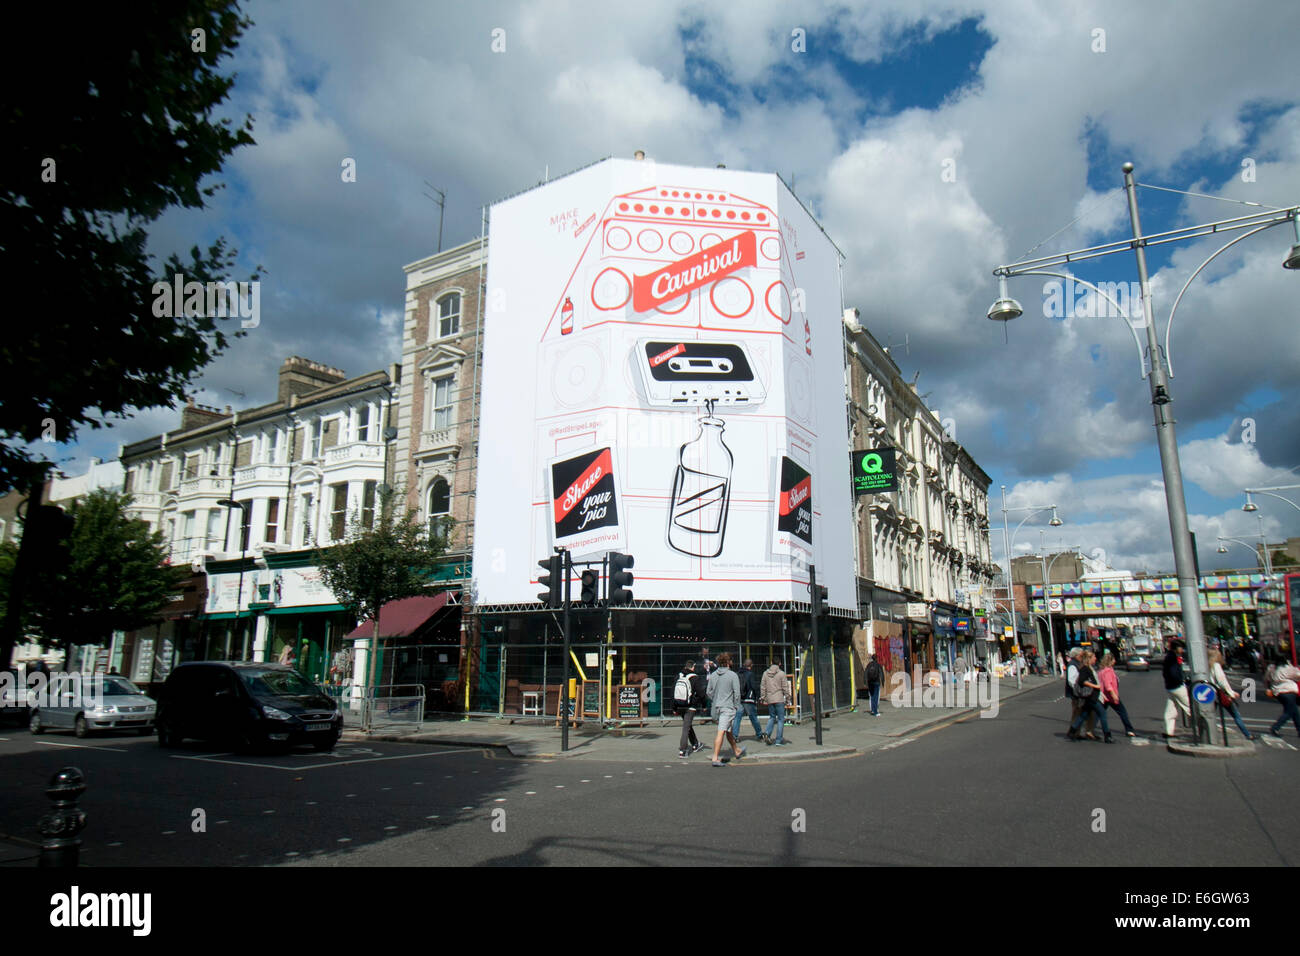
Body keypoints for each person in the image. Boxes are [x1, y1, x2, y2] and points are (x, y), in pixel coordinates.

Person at [706, 652, 746, 766]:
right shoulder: (733, 675)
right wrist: (736, 705)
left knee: (728, 731)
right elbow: (737, 693)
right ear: (728, 662)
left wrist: (715, 699)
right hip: (727, 707)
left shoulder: (713, 675)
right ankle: (715, 758)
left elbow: (708, 691)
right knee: (721, 731)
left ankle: (736, 750)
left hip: (716, 707)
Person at [1208, 648, 1252, 741]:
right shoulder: (1216, 665)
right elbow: (1222, 681)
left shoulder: (1206, 665)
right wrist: (1231, 693)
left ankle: (1207, 733)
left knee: (1209, 715)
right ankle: (1247, 734)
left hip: (1211, 694)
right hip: (1220, 694)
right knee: (1235, 715)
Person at [1068, 650, 1113, 743]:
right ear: (1089, 659)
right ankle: (1107, 736)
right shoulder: (1085, 668)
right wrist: (1095, 686)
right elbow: (1082, 681)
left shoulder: (1089, 668)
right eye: (1094, 657)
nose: (1095, 658)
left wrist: (1102, 694)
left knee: (1083, 714)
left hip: (1091, 696)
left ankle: (1072, 731)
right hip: (1091, 696)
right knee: (1103, 714)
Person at [1096, 652, 1137, 737]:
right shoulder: (1108, 671)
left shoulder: (1101, 671)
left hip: (1102, 696)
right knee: (1122, 712)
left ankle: (1088, 729)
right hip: (1110, 696)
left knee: (1098, 713)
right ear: (1110, 661)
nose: (1115, 661)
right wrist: (1114, 695)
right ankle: (1129, 730)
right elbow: (1108, 685)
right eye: (1113, 659)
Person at [673, 660, 707, 757]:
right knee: (686, 728)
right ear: (693, 667)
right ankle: (683, 751)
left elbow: (673, 691)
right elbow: (701, 693)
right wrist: (704, 705)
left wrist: (674, 707)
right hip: (690, 706)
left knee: (687, 725)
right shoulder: (695, 678)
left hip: (679, 705)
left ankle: (695, 744)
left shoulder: (678, 676)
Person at [1162, 640, 1192, 739]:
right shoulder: (1172, 658)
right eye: (1181, 648)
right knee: (1189, 707)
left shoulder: (1169, 657)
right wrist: (1181, 680)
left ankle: (1169, 732)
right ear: (1176, 648)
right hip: (1177, 686)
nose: (1182, 650)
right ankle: (1201, 728)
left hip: (1170, 687)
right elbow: (1174, 672)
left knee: (1170, 711)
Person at [1266, 655, 1300, 738]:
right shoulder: (1287, 668)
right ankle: (1275, 728)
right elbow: (1298, 675)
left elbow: (1267, 678)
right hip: (1289, 691)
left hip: (1278, 692)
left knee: (1295, 711)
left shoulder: (1272, 669)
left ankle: (1299, 730)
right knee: (1289, 712)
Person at [732, 658, 763, 741]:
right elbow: (753, 686)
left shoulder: (737, 673)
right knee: (753, 717)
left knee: (737, 717)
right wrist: (758, 696)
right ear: (751, 665)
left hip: (739, 699)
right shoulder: (750, 674)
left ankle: (734, 736)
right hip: (749, 699)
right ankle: (759, 733)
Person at [760, 658, 789, 745]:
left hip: (770, 698)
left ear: (771, 662)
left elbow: (763, 686)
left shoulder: (765, 673)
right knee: (780, 719)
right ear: (779, 663)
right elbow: (785, 687)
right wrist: (788, 698)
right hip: (779, 698)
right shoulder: (781, 674)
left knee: (772, 717)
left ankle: (767, 733)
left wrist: (763, 697)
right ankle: (778, 740)